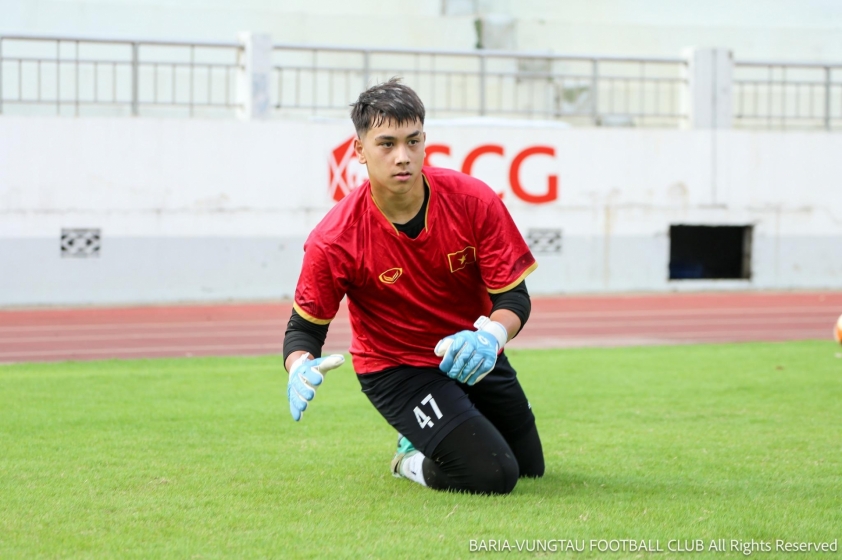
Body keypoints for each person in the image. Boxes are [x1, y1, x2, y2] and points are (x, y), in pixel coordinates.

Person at [284, 78, 544, 495]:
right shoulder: (334, 239)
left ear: (425, 142)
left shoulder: (474, 201)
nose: (402, 156)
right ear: (359, 150)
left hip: (469, 354)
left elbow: (513, 297)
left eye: (413, 141)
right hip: (397, 369)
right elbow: (304, 329)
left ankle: (446, 424)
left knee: (530, 468)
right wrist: (299, 365)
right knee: (493, 475)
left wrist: (491, 337)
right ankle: (408, 458)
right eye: (386, 144)